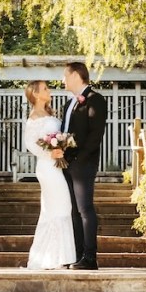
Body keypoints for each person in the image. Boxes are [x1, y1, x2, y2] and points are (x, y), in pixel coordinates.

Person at [22, 80, 78, 270]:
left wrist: (62, 146)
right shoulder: (34, 116)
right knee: (60, 207)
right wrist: (50, 153)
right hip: (47, 167)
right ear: (36, 94)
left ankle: (57, 255)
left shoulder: (49, 113)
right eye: (45, 88)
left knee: (58, 208)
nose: (49, 90)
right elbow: (30, 143)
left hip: (57, 166)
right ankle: (54, 257)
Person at [61, 62, 108, 270]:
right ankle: (78, 255)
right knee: (73, 211)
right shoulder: (68, 104)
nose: (62, 80)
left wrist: (79, 159)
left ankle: (90, 257)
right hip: (66, 163)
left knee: (85, 209)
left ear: (75, 76)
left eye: (65, 75)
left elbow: (95, 135)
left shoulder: (95, 100)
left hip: (84, 163)